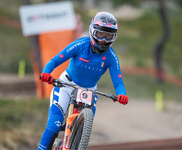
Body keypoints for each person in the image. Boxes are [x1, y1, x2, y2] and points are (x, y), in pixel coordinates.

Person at [38, 11, 129, 150]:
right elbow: (55, 60)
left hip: (89, 90)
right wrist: (46, 73)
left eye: (108, 36)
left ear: (113, 38)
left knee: (84, 127)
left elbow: (118, 82)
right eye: (100, 34)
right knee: (54, 124)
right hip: (66, 85)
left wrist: (121, 94)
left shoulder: (111, 57)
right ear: (92, 31)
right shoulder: (80, 45)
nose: (104, 40)